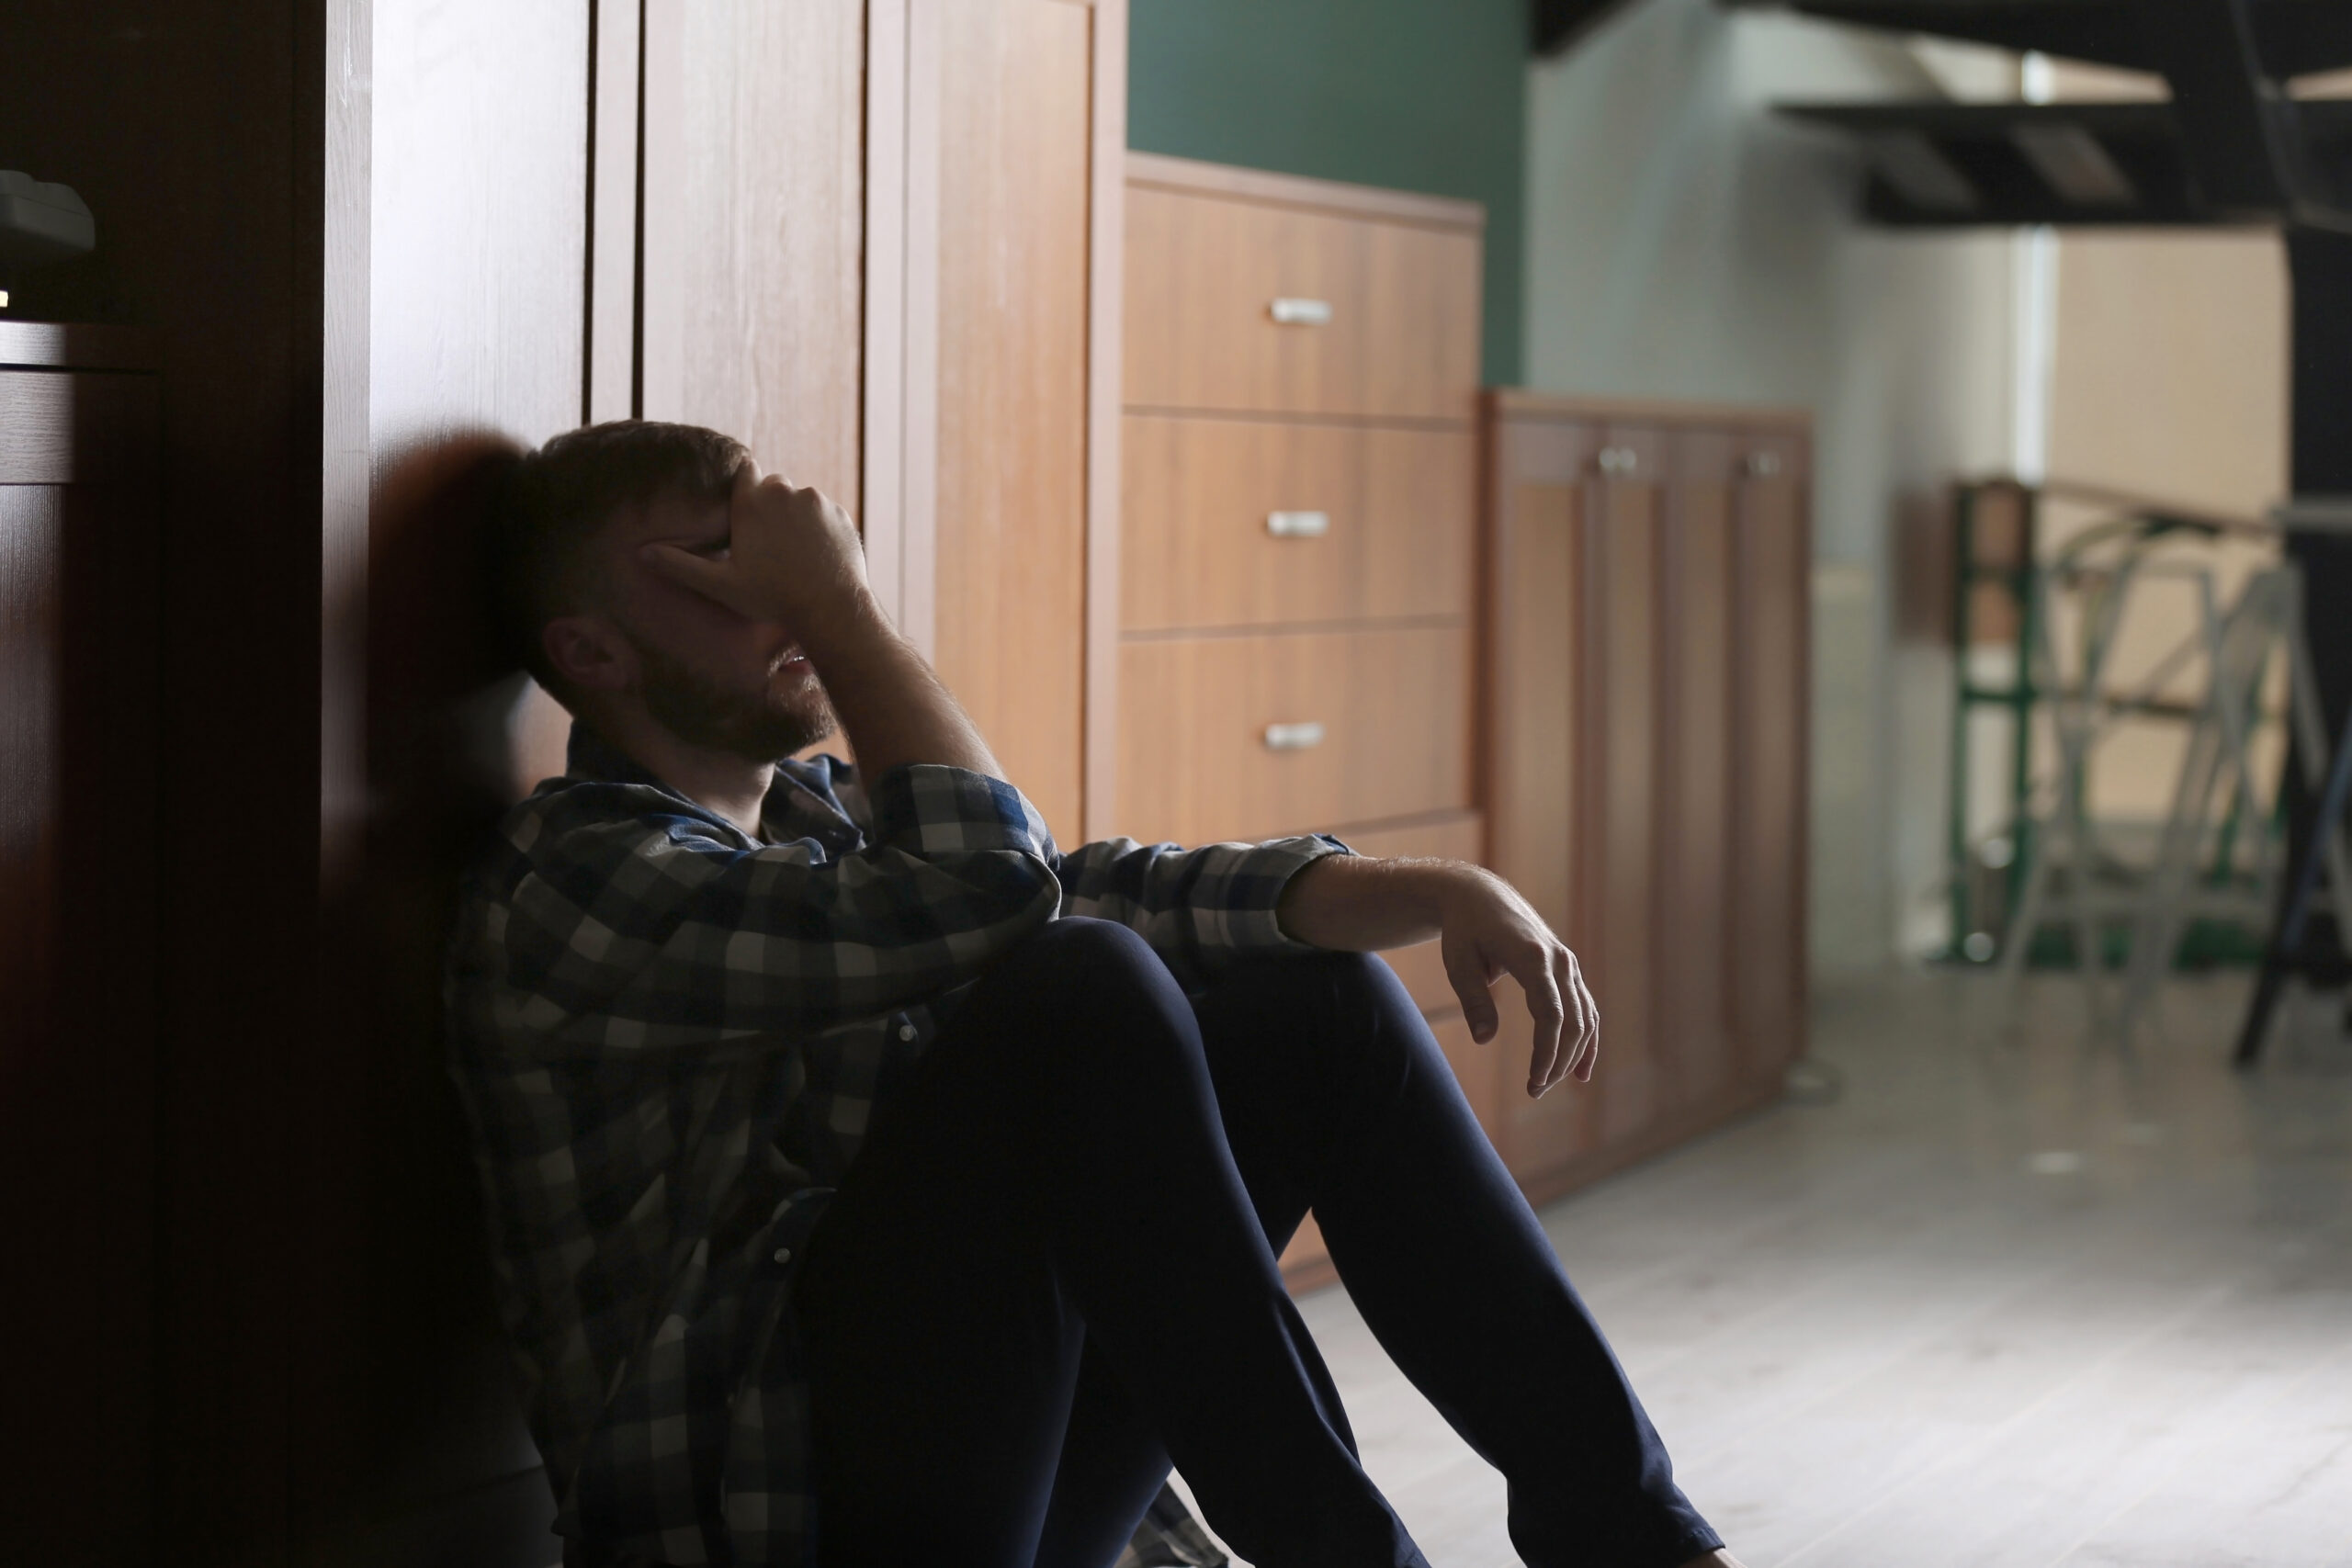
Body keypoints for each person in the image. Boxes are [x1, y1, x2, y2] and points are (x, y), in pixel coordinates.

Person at [446, 420, 1741, 1568]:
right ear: (591, 652)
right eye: (720, 573)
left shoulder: (812, 824)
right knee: (1075, 984)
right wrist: (840, 613)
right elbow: (996, 897)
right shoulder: (576, 884)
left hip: (981, 1486)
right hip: (772, 1519)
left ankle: (1639, 1552)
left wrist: (1432, 889)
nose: (783, 597)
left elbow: (1076, 889)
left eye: (778, 558)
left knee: (1312, 1006)